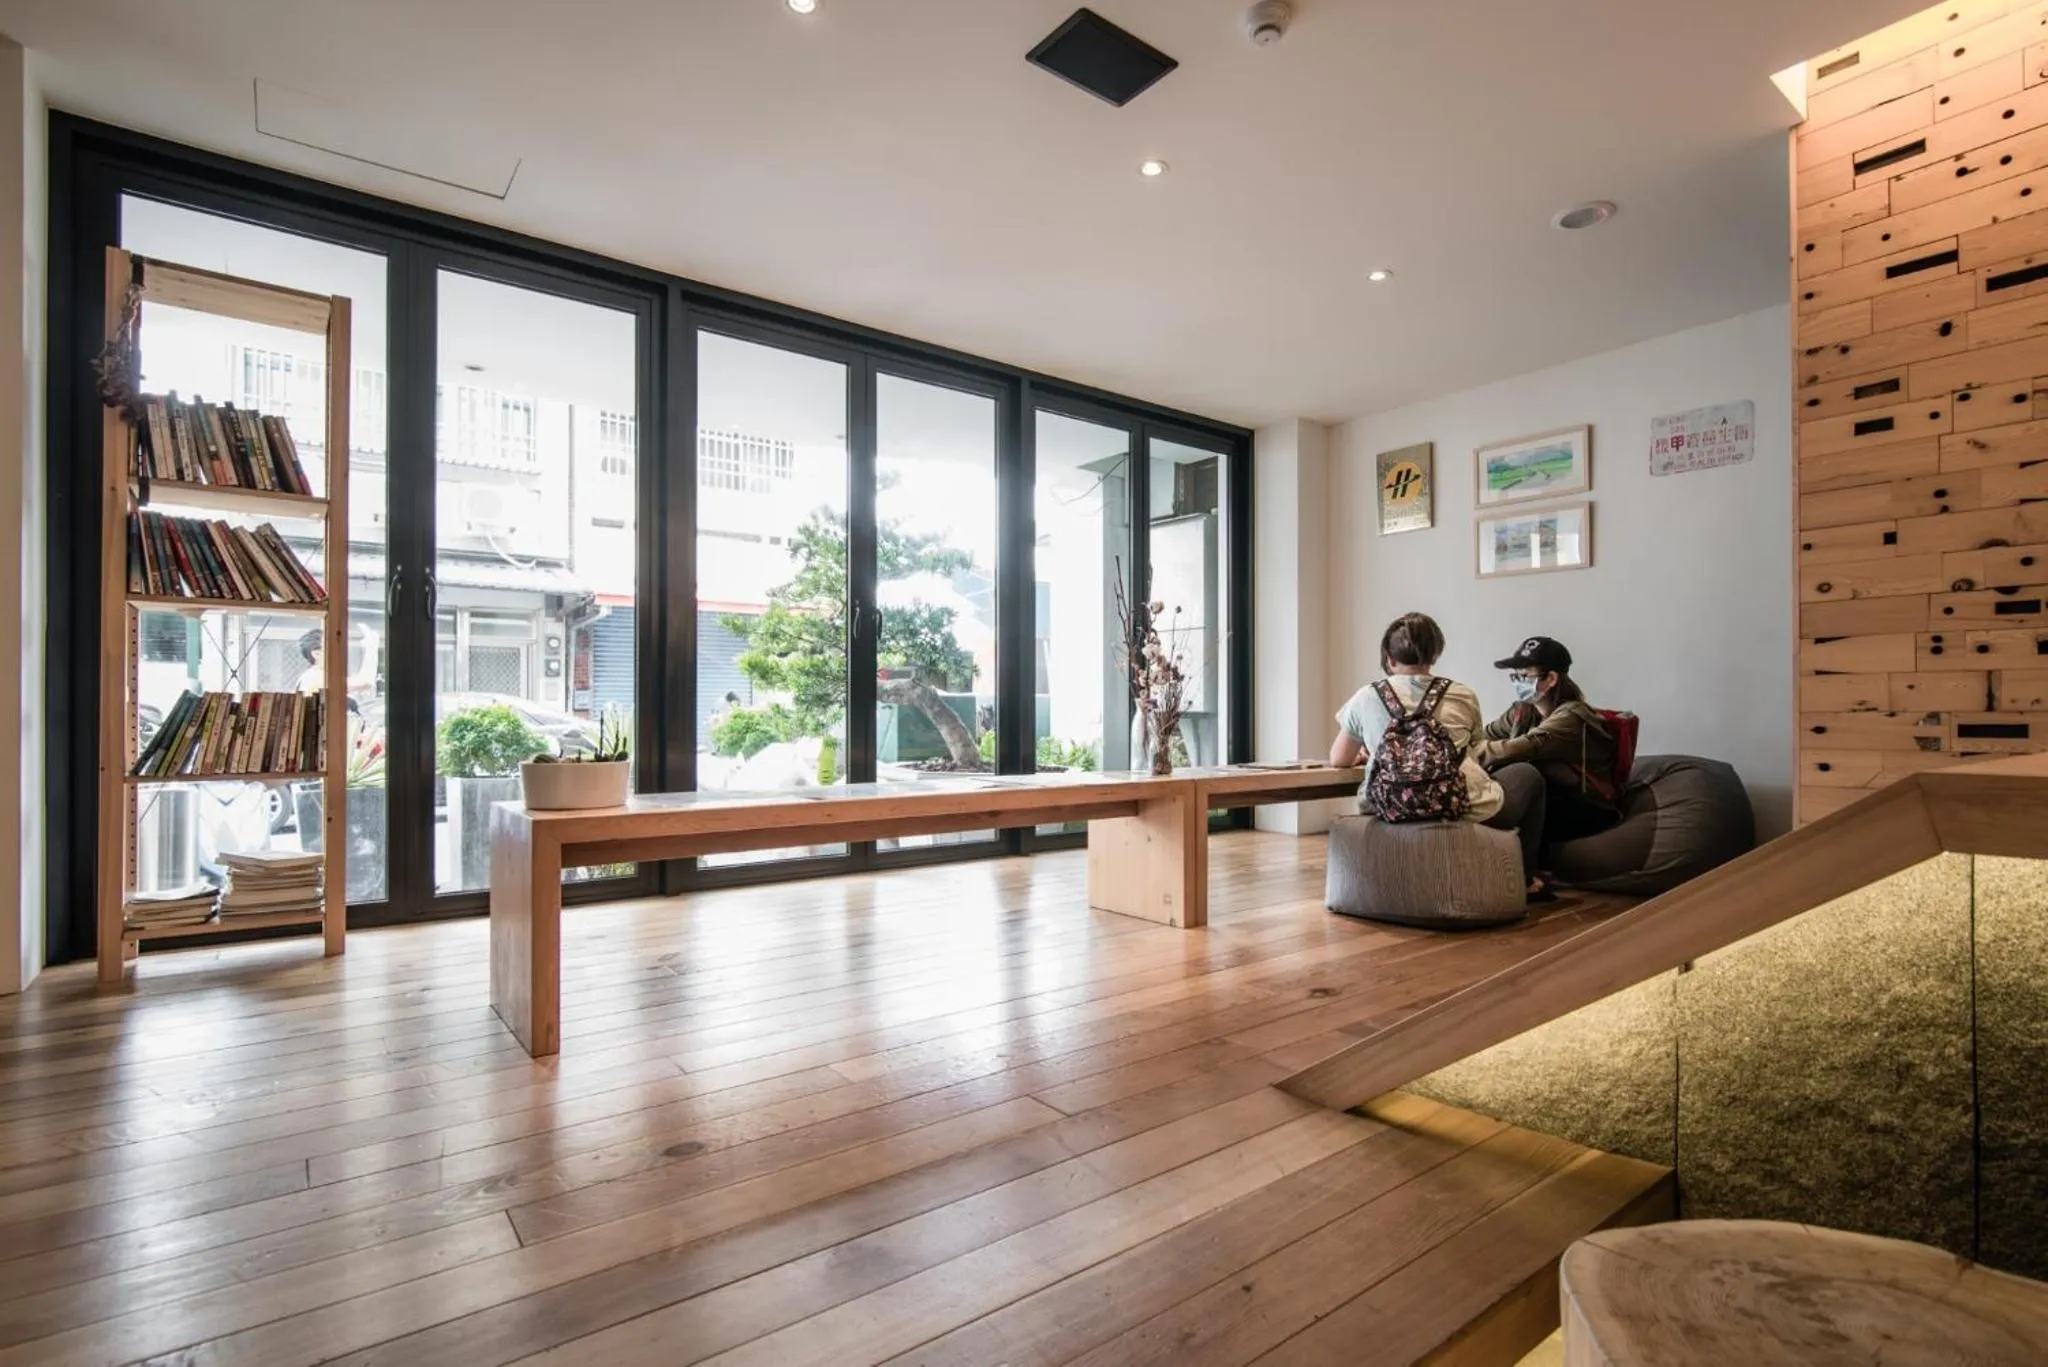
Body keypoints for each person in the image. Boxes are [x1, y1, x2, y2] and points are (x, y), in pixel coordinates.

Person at [1330, 612, 1550, 899]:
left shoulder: (1365, 697)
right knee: (1529, 776)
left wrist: (1370, 752)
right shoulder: (1462, 694)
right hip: (1455, 805)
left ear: (1389, 658)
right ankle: (1524, 880)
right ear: (1434, 654)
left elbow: (1339, 759)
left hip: (1385, 807)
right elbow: (1477, 752)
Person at [1475, 636, 1621, 862]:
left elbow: (1518, 748)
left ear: (1551, 678)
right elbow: (1486, 734)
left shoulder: (1571, 717)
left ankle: (1528, 877)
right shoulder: (1523, 711)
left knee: (1522, 780)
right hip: (1554, 799)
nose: (1518, 682)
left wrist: (1475, 753)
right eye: (1515, 676)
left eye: (1525, 676)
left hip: (1586, 808)